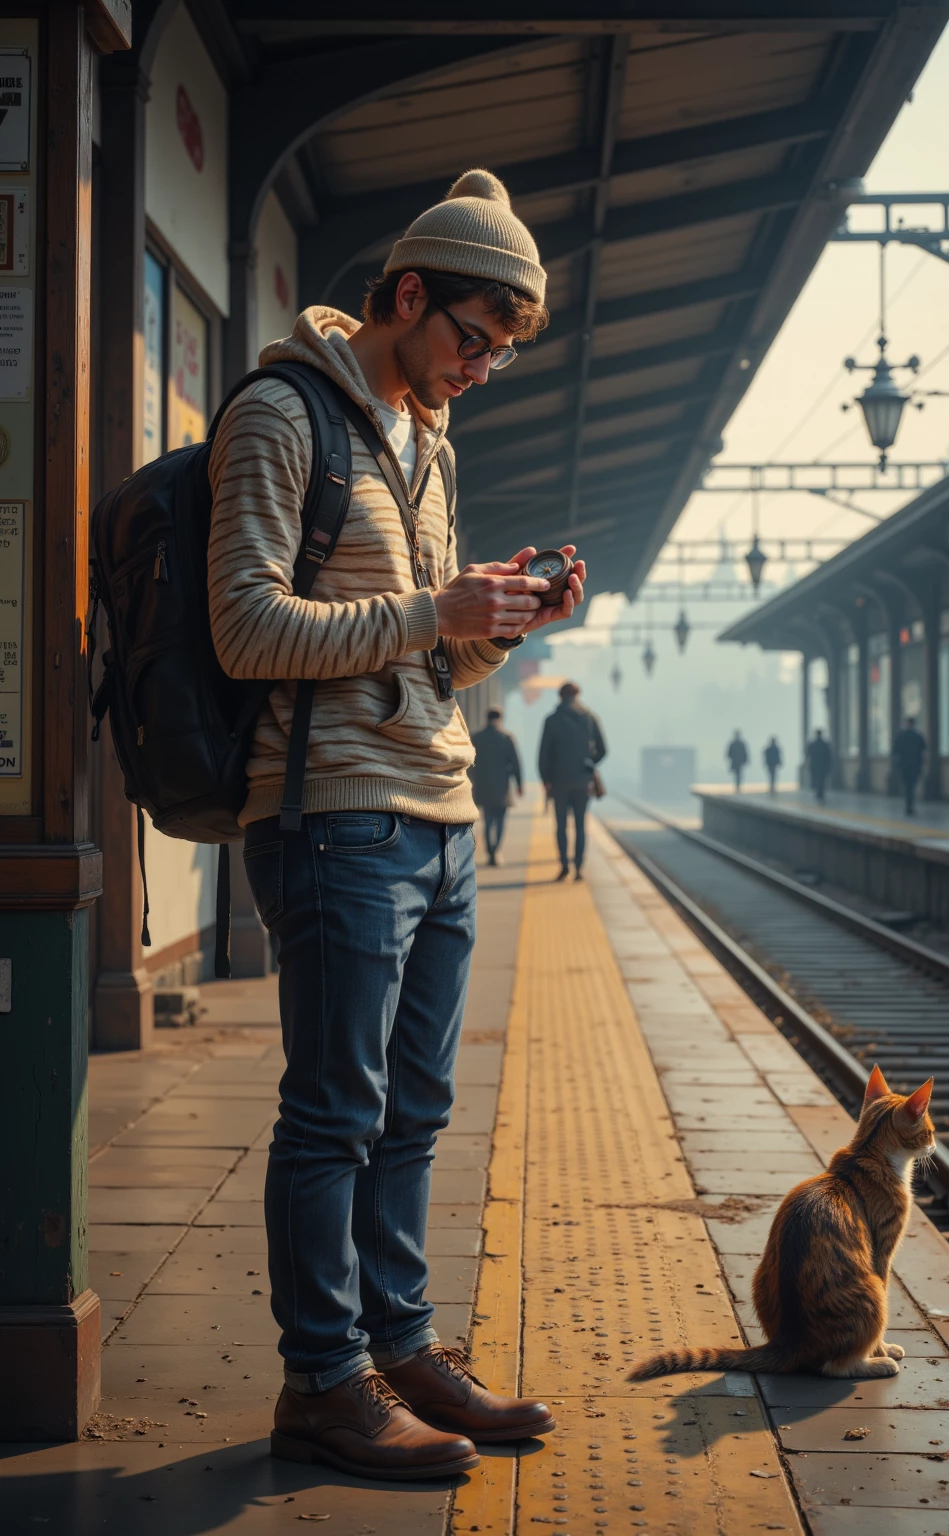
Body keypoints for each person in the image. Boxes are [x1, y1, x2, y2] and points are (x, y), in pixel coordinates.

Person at [208, 169, 587, 1482]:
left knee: (417, 1106)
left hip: (436, 809)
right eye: (472, 339)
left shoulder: (430, 439)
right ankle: (323, 1380)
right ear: (409, 295)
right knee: (335, 1110)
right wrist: (435, 613)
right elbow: (246, 628)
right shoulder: (280, 413)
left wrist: (502, 622)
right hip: (331, 818)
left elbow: (429, 659)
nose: (482, 370)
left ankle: (401, 1346)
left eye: (500, 352)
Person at [539, 681, 606, 881]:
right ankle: (579, 868)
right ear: (577, 695)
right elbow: (603, 749)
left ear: (560, 697)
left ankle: (564, 866)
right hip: (582, 781)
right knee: (580, 825)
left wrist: (546, 780)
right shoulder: (589, 717)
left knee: (560, 826)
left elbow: (544, 754)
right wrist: (589, 762)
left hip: (559, 782)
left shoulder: (551, 720)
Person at [469, 705, 522, 864]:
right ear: (500, 718)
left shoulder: (477, 737)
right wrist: (519, 784)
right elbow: (515, 762)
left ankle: (490, 851)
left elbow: (471, 763)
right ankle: (496, 850)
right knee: (500, 820)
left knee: (488, 819)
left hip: (483, 784)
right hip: (502, 785)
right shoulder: (506, 737)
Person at [893, 715, 927, 816]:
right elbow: (923, 749)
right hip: (915, 765)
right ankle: (910, 805)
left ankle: (909, 805)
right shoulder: (918, 736)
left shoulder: (901, 736)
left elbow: (895, 751)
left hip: (905, 766)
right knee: (912, 786)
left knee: (908, 786)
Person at [806, 728, 833, 804]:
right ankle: (820, 793)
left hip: (815, 765)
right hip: (823, 765)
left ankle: (818, 793)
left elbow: (808, 755)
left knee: (816, 779)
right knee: (822, 780)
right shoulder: (825, 744)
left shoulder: (812, 744)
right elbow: (829, 756)